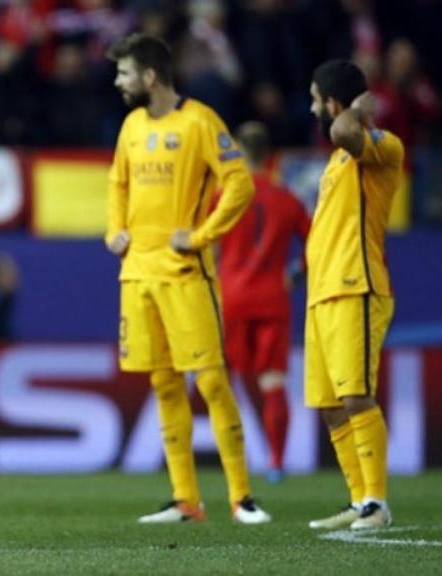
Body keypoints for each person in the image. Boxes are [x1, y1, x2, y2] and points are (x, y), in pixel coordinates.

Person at [105, 33, 272, 525]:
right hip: (138, 273)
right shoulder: (131, 126)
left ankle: (241, 497)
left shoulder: (199, 121)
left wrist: (202, 235)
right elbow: (118, 183)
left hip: (185, 274)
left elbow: (238, 183)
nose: (118, 81)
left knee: (214, 382)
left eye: (124, 73)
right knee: (164, 384)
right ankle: (186, 501)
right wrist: (114, 230)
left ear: (149, 76)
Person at [304, 60, 402, 530]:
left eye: (316, 98)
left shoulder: (381, 147)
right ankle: (358, 498)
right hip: (322, 295)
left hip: (355, 286)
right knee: (329, 405)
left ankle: (377, 503)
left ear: (335, 103)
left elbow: (345, 129)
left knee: (358, 395)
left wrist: (359, 109)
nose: (311, 108)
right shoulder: (337, 159)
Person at [218, 122, 310, 484]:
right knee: (272, 382)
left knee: (222, 383)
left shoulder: (226, 194)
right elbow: (317, 241)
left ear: (239, 151)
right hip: (273, 298)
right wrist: (295, 274)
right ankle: (275, 461)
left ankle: (232, 462)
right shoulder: (287, 198)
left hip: (232, 299)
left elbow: (205, 237)